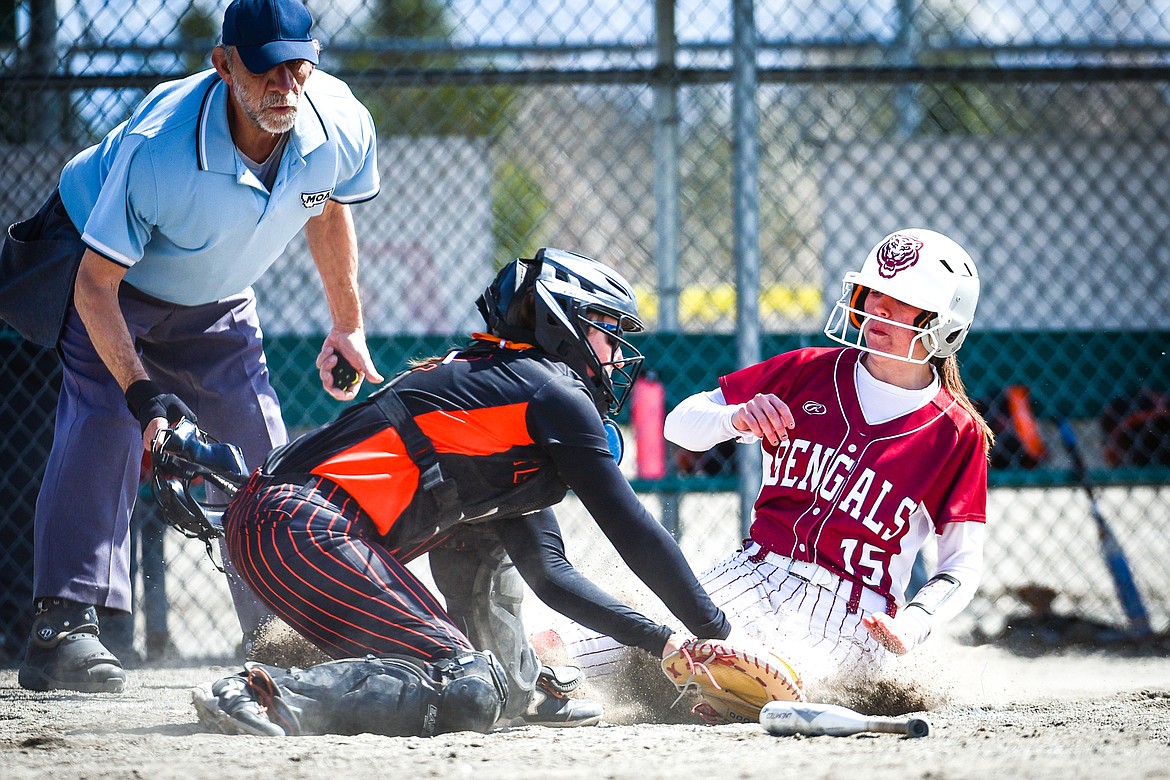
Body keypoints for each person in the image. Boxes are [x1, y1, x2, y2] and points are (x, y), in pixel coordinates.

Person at [188, 247, 731, 737]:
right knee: (468, 685)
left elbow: (552, 576)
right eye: (604, 331)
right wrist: (716, 632)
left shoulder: (500, 397)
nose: (614, 352)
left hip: (276, 530)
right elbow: (632, 530)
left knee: (482, 581)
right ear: (559, 322)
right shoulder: (551, 390)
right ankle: (264, 692)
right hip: (303, 529)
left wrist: (663, 641)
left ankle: (518, 686)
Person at [1, 0, 382, 694]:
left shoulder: (342, 123)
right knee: (106, 417)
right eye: (265, 68)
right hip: (99, 269)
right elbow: (94, 285)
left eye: (298, 64)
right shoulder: (162, 146)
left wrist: (346, 323)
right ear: (224, 64)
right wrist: (141, 391)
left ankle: (278, 631)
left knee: (258, 441)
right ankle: (62, 630)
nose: (284, 84)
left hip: (217, 291)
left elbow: (328, 207)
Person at [545, 228, 993, 694]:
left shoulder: (955, 432)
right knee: (580, 645)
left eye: (901, 299)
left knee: (765, 675)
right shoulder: (809, 370)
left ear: (944, 323)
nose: (878, 306)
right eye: (875, 290)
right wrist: (736, 417)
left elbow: (960, 565)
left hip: (853, 615)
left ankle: (713, 691)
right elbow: (679, 423)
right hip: (752, 575)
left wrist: (915, 622)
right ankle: (500, 675)